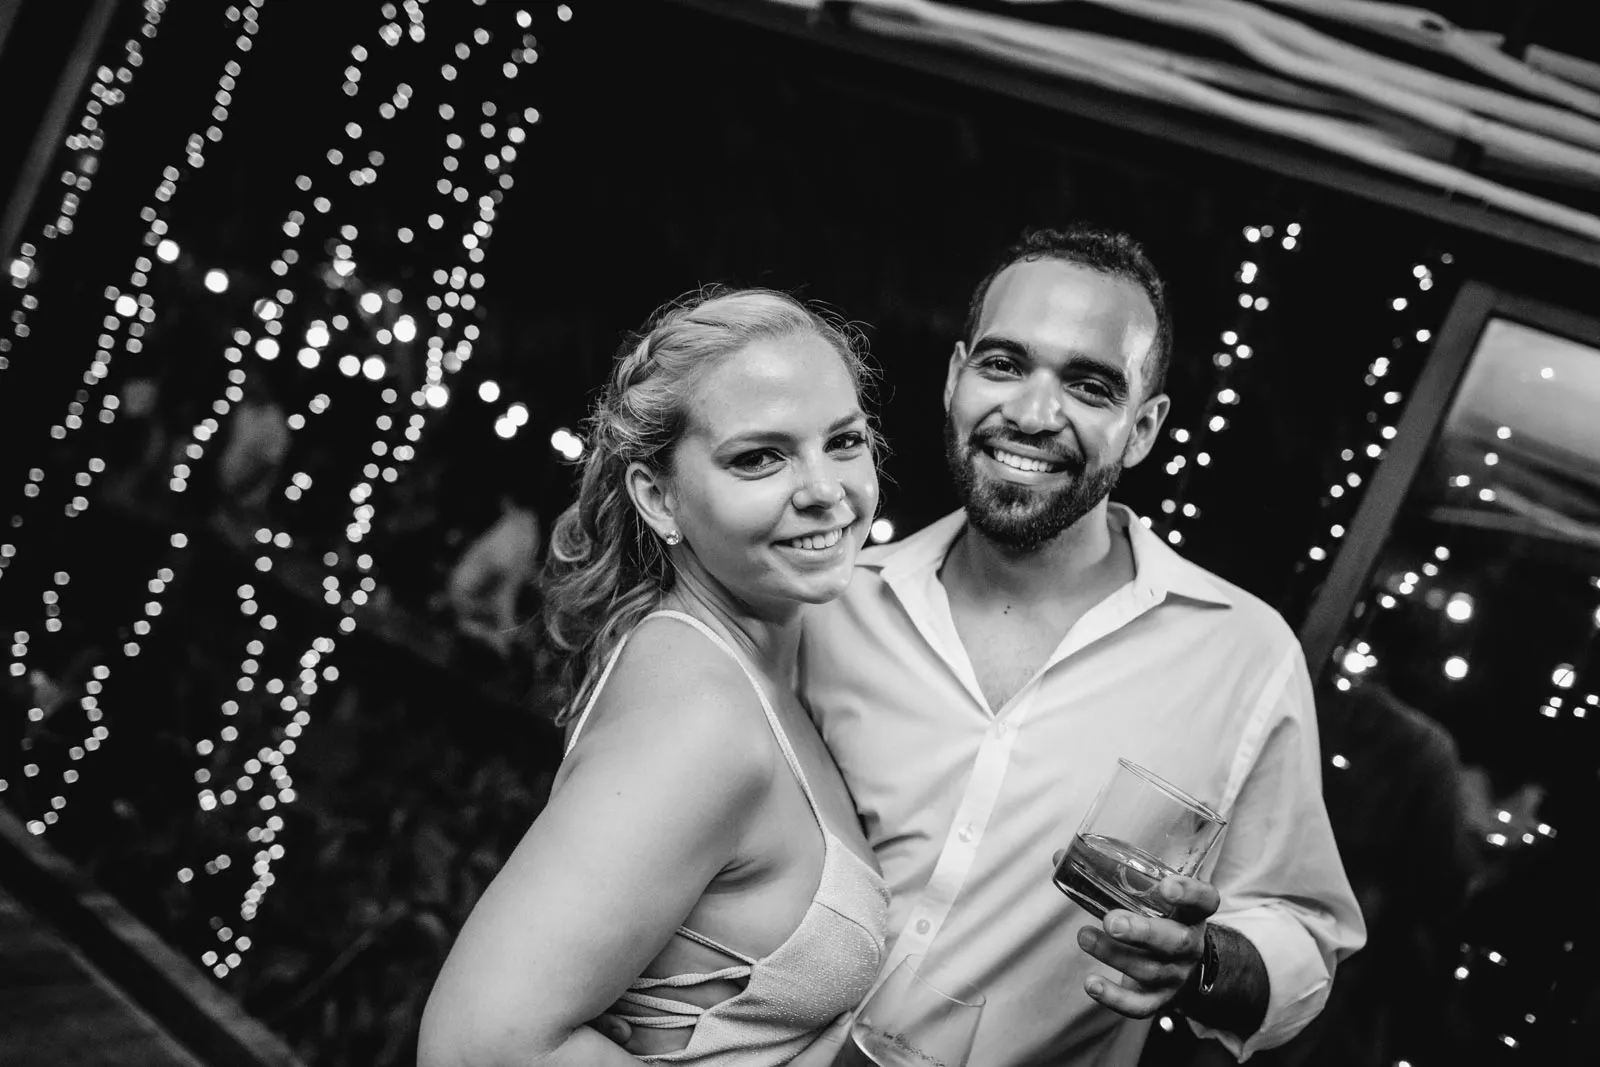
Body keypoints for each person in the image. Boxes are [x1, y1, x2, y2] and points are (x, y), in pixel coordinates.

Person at [796, 226, 1367, 1065]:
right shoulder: (830, 602)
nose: (1032, 415)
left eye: (1090, 385)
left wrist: (1202, 964)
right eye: (1003, 365)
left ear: (1143, 427)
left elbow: (1304, 933)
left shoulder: (1243, 653)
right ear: (955, 378)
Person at [417, 288, 890, 1067]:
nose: (825, 489)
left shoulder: (759, 656)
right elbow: (476, 1048)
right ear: (658, 497)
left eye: (843, 441)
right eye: (759, 457)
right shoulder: (699, 717)